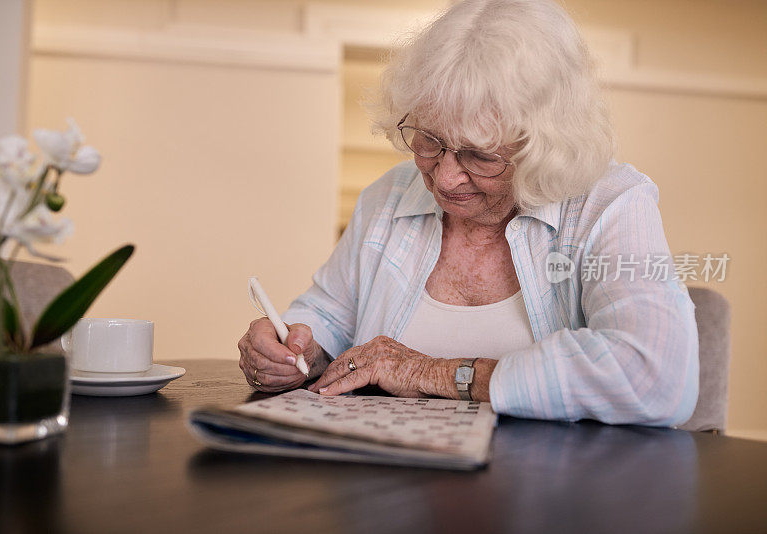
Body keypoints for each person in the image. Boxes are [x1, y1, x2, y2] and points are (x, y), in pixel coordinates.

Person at [237, 0, 699, 426]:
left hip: (549, 495)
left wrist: (438, 374)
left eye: (479, 156)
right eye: (429, 141)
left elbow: (654, 374)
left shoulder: (612, 204)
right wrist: (291, 349)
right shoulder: (389, 195)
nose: (445, 179)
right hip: (382, 487)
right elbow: (329, 315)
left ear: (544, 148)